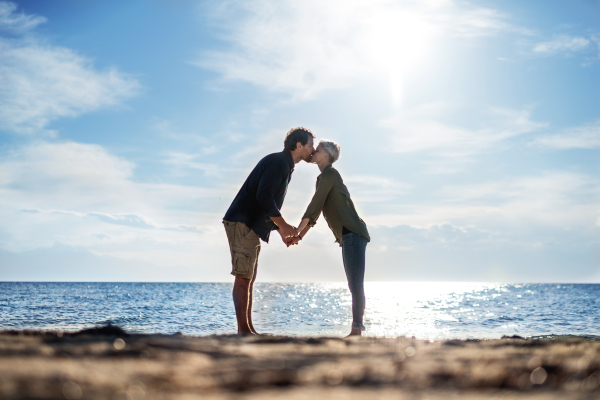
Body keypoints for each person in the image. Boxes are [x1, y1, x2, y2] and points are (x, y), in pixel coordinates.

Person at [223, 127, 315, 335]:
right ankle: (243, 331)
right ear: (298, 145)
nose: (313, 149)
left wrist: (279, 228)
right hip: (242, 222)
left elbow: (265, 202)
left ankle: (248, 329)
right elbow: (264, 197)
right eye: (310, 145)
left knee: (249, 277)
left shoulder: (284, 165)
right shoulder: (279, 162)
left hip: (250, 225)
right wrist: (283, 226)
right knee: (243, 277)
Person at [294, 140, 370, 336]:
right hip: (350, 235)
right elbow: (317, 211)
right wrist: (299, 235)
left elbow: (314, 205)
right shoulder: (324, 177)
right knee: (354, 283)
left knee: (355, 284)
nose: (313, 152)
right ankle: (357, 329)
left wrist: (296, 232)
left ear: (325, 155)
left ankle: (356, 331)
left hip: (353, 233)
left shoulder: (330, 174)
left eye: (317, 150)